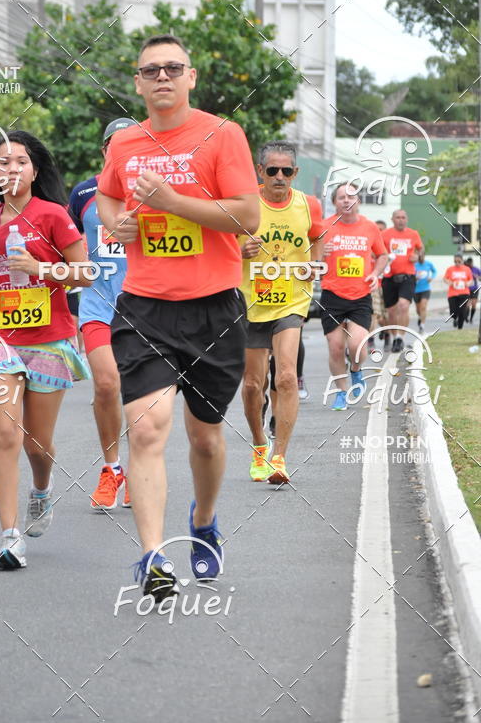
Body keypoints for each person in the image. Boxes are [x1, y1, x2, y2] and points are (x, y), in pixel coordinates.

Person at [96, 34, 259, 601]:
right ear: (138, 82)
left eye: (173, 68)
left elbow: (245, 215)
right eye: (150, 70)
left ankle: (204, 521)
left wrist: (171, 203)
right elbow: (108, 194)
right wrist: (118, 222)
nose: (161, 77)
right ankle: (151, 557)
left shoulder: (223, 134)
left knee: (206, 440)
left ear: (191, 77)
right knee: (145, 428)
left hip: (214, 308)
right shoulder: (125, 144)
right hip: (144, 306)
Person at [0, 131, 92, 570]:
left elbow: (86, 273)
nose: (10, 169)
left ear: (35, 170)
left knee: (37, 443)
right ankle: (10, 537)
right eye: (2, 162)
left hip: (49, 340)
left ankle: (42, 487)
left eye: (20, 161)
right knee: (5, 434)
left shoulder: (53, 216)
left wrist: (41, 268)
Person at [239, 141, 323, 483]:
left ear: (295, 173)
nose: (279, 177)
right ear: (260, 171)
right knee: (251, 385)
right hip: (249, 302)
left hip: (291, 300)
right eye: (272, 170)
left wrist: (315, 263)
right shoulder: (245, 204)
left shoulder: (308, 205)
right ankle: (259, 443)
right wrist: (241, 251)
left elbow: (317, 236)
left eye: (286, 171)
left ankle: (279, 458)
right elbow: (223, 245)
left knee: (286, 376)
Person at [69, 117, 135, 511]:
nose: (121, 149)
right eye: (115, 142)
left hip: (146, 306)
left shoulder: (154, 190)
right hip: (98, 302)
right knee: (107, 385)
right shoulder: (84, 193)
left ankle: (140, 471)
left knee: (140, 396)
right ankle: (111, 469)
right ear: (104, 150)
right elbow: (67, 240)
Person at [320, 183, 388, 411]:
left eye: (351, 197)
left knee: (358, 346)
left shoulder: (369, 227)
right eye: (341, 197)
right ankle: (341, 392)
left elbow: (382, 255)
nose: (346, 201)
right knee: (336, 347)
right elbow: (308, 257)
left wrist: (375, 273)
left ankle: (356, 372)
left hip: (360, 295)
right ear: (334, 202)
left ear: (358, 201)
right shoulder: (324, 227)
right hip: (332, 294)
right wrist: (319, 253)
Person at [381, 209, 423, 353]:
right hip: (388, 277)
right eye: (398, 217)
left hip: (408, 276)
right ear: (392, 219)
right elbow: (376, 251)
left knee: (403, 305)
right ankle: (394, 338)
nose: (401, 220)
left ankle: (401, 338)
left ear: (407, 219)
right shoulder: (384, 234)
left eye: (403, 217)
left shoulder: (413, 234)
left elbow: (421, 250)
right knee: (391, 311)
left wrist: (417, 256)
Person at [444, 254, 473, 329]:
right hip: (452, 294)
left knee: (462, 311)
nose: (457, 263)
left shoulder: (467, 269)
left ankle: (460, 328)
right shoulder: (450, 269)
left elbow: (471, 280)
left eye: (459, 261)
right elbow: (445, 278)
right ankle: (454, 318)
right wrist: (449, 282)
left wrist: (468, 283)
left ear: (462, 261)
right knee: (453, 311)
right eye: (455, 261)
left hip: (464, 293)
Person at [413, 250, 437, 334]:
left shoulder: (428, 264)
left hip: (426, 289)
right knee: (418, 309)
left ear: (424, 256)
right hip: (415, 289)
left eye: (421, 256)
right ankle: (420, 317)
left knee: (423, 306)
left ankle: (422, 326)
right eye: (419, 257)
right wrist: (414, 278)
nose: (420, 258)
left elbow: (435, 271)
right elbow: (410, 274)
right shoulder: (414, 265)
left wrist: (431, 277)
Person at [464, 257, 481, 323]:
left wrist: (477, 276)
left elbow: (480, 278)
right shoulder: (466, 269)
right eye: (469, 263)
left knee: (474, 304)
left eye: (471, 263)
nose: (470, 264)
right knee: (468, 304)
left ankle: (471, 318)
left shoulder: (476, 269)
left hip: (475, 289)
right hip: (467, 289)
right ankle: (466, 317)